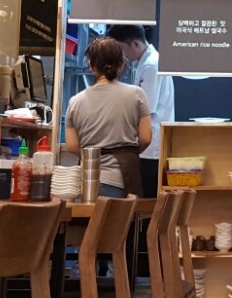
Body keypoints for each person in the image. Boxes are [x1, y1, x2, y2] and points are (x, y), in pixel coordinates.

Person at [64, 37, 151, 198]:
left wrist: (93, 156)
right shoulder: (136, 95)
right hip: (122, 180)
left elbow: (72, 146)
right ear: (121, 65)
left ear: (91, 67)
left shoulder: (75, 101)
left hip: (87, 182)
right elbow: (145, 138)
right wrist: (128, 153)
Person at [106, 24, 174, 198]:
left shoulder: (151, 65)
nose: (122, 55)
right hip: (149, 144)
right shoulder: (147, 62)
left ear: (135, 44)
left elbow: (145, 109)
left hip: (150, 148)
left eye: (121, 48)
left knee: (145, 199)